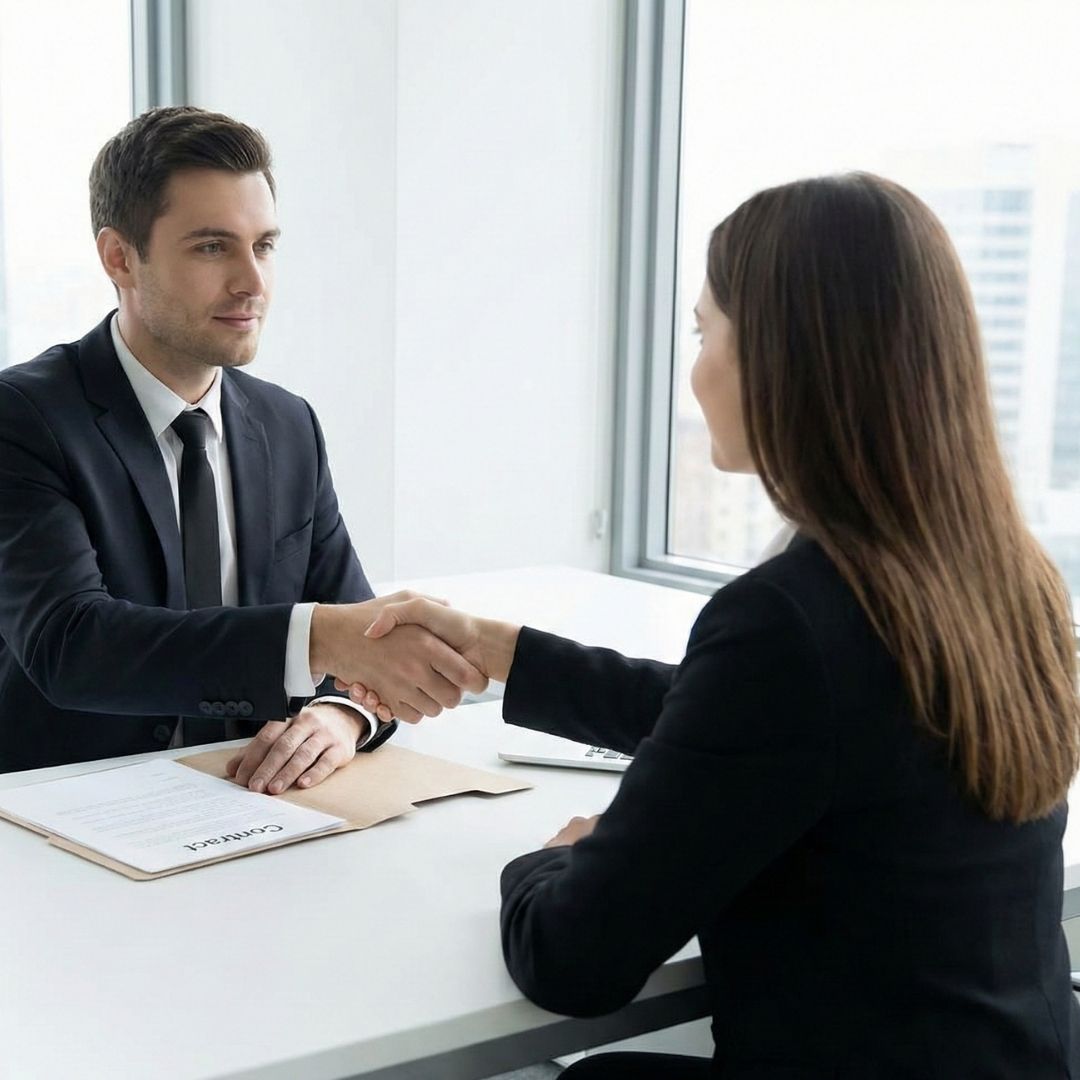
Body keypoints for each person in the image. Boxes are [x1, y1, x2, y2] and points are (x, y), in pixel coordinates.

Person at [343, 174, 1080, 1077]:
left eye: (704, 331)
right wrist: (505, 654)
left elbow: (572, 961)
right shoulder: (1004, 576)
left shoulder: (791, 619)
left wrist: (557, 861)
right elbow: (759, 728)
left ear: (780, 355)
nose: (693, 367)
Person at [0, 106, 486, 787]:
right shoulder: (25, 416)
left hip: (252, 806)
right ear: (119, 258)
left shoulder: (288, 426)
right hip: (69, 813)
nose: (252, 283)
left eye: (263, 246)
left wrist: (339, 717)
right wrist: (315, 637)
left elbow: (365, 644)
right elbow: (71, 647)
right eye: (211, 247)